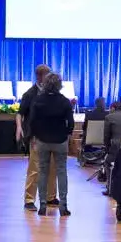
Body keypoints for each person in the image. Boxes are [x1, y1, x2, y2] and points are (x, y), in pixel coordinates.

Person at [25, 73, 76, 215]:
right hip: (60, 141)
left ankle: (42, 205)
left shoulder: (39, 100)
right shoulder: (65, 101)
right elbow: (71, 123)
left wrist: (34, 137)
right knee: (61, 171)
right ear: (59, 85)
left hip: (42, 140)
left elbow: (32, 122)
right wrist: (67, 133)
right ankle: (63, 206)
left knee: (42, 172)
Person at [18, 65, 51, 210]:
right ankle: (29, 199)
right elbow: (20, 113)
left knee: (52, 167)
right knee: (35, 168)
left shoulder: (52, 93)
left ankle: (51, 197)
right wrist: (19, 127)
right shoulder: (30, 94)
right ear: (39, 76)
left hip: (52, 135)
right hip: (36, 135)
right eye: (47, 75)